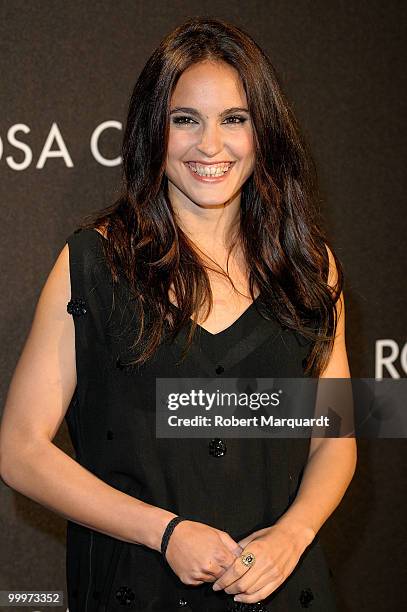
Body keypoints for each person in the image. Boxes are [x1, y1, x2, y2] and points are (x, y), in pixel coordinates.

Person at [0, 16, 357, 612]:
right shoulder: (91, 263)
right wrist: (163, 531)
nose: (210, 145)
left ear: (262, 131)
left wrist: (292, 537)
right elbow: (20, 450)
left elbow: (335, 438)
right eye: (185, 120)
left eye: (234, 120)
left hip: (281, 588)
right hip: (134, 588)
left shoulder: (310, 267)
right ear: (151, 131)